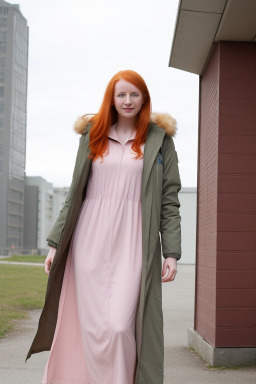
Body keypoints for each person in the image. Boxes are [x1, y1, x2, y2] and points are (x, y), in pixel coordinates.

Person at [26, 70, 182, 384]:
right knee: (89, 325)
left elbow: (169, 200)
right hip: (89, 237)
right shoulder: (92, 135)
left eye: (134, 94)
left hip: (134, 238)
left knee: (121, 327)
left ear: (144, 99)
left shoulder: (158, 140)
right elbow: (75, 192)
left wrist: (172, 252)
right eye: (121, 94)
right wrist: (55, 244)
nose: (127, 101)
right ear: (111, 98)